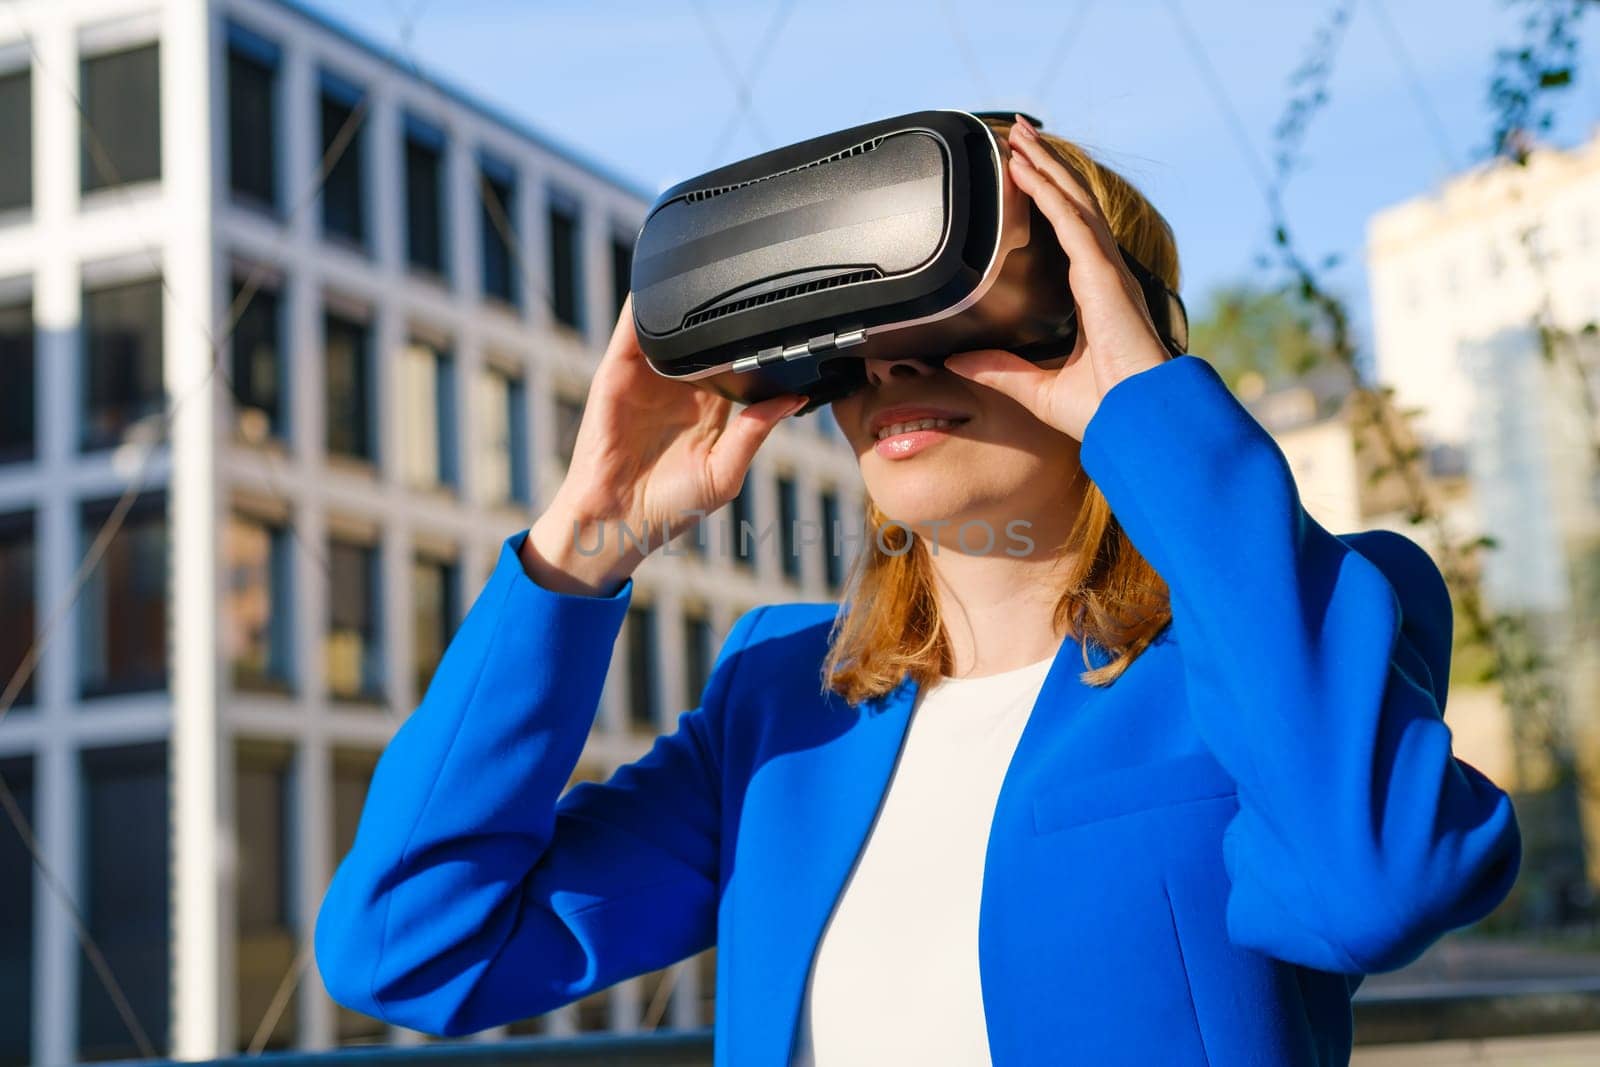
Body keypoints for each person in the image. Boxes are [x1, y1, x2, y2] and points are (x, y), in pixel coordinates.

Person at [313, 114, 1522, 1066]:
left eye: (950, 312)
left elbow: (1373, 889)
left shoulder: (1291, 635)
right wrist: (581, 542)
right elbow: (409, 947)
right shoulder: (781, 703)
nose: (890, 359)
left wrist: (1151, 416)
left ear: (1092, 329)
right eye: (856, 331)